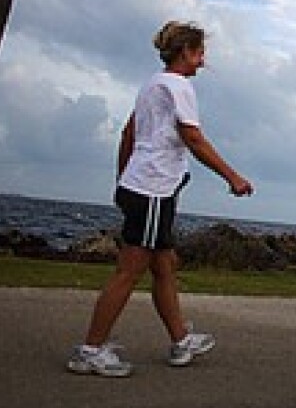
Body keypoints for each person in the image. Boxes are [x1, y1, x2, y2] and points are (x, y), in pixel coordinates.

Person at [67, 21, 253, 378]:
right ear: (185, 52)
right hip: (153, 190)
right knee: (128, 272)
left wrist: (122, 180)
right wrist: (232, 176)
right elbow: (193, 139)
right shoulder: (178, 87)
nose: (202, 61)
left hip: (148, 188)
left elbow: (128, 134)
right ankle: (89, 350)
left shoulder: (151, 85)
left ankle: (181, 340)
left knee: (165, 265)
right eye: (199, 53)